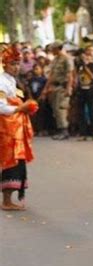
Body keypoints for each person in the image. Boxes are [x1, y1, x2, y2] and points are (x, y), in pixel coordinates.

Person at [0, 46, 37, 210]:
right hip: (8, 129)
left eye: (17, 63)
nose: (16, 67)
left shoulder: (12, 81)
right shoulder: (1, 81)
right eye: (12, 64)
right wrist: (20, 108)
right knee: (11, 161)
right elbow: (1, 107)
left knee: (18, 161)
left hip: (16, 127)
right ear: (5, 64)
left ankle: (10, 198)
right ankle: (6, 201)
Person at [41, 41, 73, 140]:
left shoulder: (67, 59)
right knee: (56, 109)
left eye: (53, 49)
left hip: (63, 87)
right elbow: (51, 76)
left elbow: (70, 74)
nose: (51, 51)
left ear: (58, 48)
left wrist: (68, 88)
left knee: (61, 109)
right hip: (55, 87)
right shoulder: (55, 59)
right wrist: (46, 88)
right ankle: (60, 130)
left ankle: (64, 130)